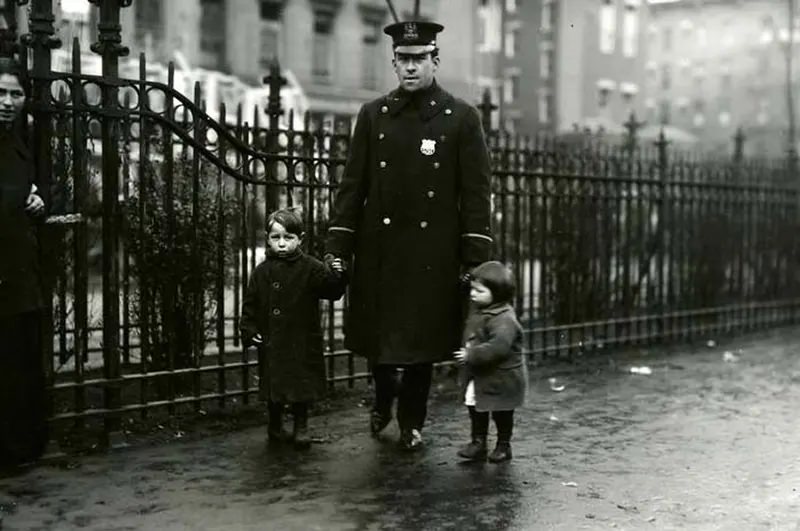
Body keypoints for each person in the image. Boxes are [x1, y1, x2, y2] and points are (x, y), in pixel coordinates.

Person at [325, 19, 493, 451]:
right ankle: (383, 399)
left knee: (421, 346)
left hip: (431, 252)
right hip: (380, 249)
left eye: (420, 59)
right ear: (393, 62)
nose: (412, 68)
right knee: (381, 342)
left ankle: (412, 421)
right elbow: (352, 186)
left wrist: (474, 257)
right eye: (404, 59)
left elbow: (475, 195)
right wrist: (338, 246)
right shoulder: (373, 114)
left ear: (435, 60)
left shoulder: (461, 118)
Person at [240, 208, 347, 449]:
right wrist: (248, 328)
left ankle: (301, 426)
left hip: (301, 339)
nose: (281, 244)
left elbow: (331, 290)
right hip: (272, 341)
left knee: (301, 385)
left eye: (288, 238)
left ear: (300, 239)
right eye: (275, 237)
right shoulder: (261, 272)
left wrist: (339, 273)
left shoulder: (310, 267)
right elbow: (250, 304)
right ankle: (275, 426)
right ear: (267, 238)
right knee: (274, 386)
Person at [0, 56, 48, 468]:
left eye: (16, 93)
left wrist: (35, 201)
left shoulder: (20, 144)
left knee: (16, 360)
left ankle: (18, 448)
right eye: (0, 91)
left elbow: (23, 194)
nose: (7, 101)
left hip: (15, 269)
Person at [454, 261, 527, 463]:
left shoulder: (504, 319)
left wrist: (472, 354)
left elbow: (499, 347)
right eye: (472, 290)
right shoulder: (481, 309)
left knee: (502, 412)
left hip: (502, 377)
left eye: (479, 291)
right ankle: (478, 442)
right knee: (475, 405)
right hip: (481, 376)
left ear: (498, 293)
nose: (473, 294)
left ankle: (504, 445)